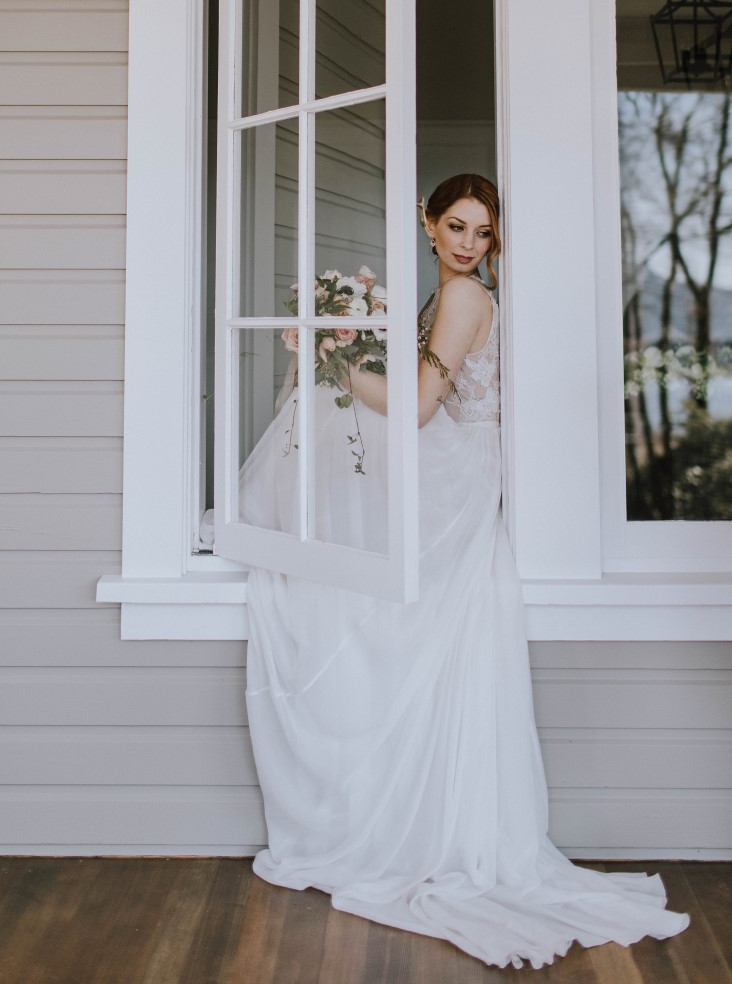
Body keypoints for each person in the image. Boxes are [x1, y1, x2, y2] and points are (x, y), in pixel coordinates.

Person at [241, 173, 690, 971]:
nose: (468, 243)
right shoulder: (461, 293)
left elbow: (416, 409)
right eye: (456, 226)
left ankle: (283, 538)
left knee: (330, 441)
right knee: (420, 625)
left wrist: (334, 362)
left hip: (457, 473)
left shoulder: (463, 298)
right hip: (466, 469)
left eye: (482, 232)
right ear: (427, 222)